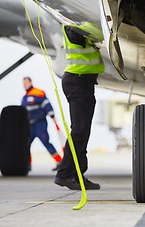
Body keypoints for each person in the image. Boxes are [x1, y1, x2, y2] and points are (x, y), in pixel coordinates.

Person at [54, 24, 104, 190]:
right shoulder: (73, 25)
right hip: (77, 81)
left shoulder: (79, 24)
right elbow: (97, 32)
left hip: (84, 82)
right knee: (78, 131)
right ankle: (64, 175)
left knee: (83, 132)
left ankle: (77, 174)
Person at [21, 77, 62, 171]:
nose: (25, 85)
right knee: (26, 144)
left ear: (30, 82)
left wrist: (53, 117)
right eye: (23, 84)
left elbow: (47, 105)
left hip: (40, 124)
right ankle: (27, 164)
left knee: (45, 142)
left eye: (26, 83)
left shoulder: (38, 93)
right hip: (29, 126)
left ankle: (59, 161)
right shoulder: (24, 98)